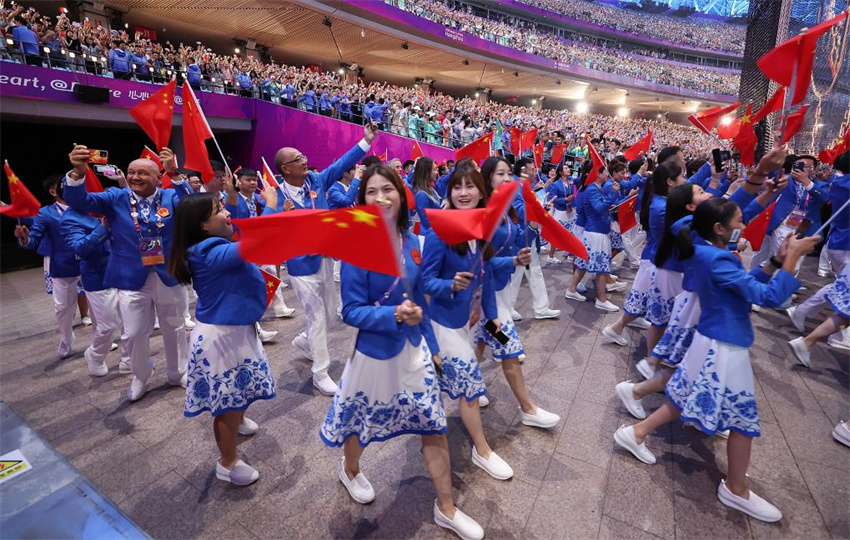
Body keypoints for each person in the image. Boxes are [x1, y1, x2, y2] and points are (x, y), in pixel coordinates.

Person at [613, 197, 819, 523]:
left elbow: (747, 287)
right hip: (723, 344)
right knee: (742, 423)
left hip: (713, 339)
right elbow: (769, 297)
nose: (743, 226)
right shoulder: (716, 258)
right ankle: (736, 488)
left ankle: (636, 431)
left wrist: (777, 263)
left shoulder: (713, 253)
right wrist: (793, 256)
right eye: (739, 221)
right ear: (719, 228)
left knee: (683, 395)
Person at [320, 164, 484, 540]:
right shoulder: (357, 248)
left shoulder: (414, 240)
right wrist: (393, 313)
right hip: (374, 354)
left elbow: (420, 295)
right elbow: (351, 311)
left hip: (415, 352)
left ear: (401, 194)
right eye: (372, 192)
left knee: (434, 426)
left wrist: (433, 344)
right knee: (360, 426)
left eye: (387, 190)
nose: (381, 198)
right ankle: (350, 469)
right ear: (361, 201)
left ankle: (446, 508)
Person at [63, 145, 192, 402]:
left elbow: (191, 205)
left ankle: (178, 372)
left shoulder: (170, 197)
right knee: (133, 332)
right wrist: (77, 174)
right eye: (132, 172)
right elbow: (80, 201)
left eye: (143, 173)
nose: (135, 177)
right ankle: (141, 375)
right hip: (131, 277)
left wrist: (174, 173)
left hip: (168, 272)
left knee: (174, 326)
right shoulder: (115, 197)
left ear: (158, 177)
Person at [168, 192, 277, 486]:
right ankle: (227, 463)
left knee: (238, 393)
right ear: (203, 225)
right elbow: (254, 243)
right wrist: (272, 206)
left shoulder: (208, 246)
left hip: (234, 329)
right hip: (221, 338)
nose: (228, 213)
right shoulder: (207, 251)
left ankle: (238, 420)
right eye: (219, 210)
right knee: (226, 405)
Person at [422, 166, 514, 480]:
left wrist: (495, 319)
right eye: (456, 187)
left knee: (498, 354)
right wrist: (449, 285)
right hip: (445, 325)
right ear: (448, 194)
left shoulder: (482, 230)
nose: (463, 192)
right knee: (471, 389)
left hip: (472, 321)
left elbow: (485, 281)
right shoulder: (439, 234)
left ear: (480, 192)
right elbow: (425, 281)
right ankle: (482, 450)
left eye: (470, 187)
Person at [273, 123, 377, 395]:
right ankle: (320, 372)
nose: (305, 161)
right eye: (298, 159)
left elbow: (345, 161)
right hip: (300, 264)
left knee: (330, 314)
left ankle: (305, 341)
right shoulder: (276, 196)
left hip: (325, 259)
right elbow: (267, 228)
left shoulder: (317, 181)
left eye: (304, 157)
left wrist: (365, 141)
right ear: (286, 168)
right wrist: (279, 215)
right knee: (317, 317)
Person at [476, 156, 561, 429]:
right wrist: (512, 261)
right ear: (488, 178)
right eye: (500, 173)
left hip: (497, 291)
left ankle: (472, 384)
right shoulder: (484, 212)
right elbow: (482, 262)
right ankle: (528, 408)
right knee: (509, 347)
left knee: (477, 342)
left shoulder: (507, 208)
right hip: (485, 297)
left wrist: (531, 232)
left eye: (509, 173)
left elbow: (518, 235)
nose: (507, 178)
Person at [15, 175, 83, 358]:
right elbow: (33, 239)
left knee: (100, 304)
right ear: (55, 191)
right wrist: (24, 237)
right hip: (62, 266)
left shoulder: (84, 206)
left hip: (88, 263)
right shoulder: (46, 213)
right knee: (62, 308)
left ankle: (104, 339)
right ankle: (67, 340)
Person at [60, 207, 131, 376]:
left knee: (130, 322)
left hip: (123, 271)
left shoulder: (107, 208)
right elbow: (80, 248)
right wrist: (103, 227)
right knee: (108, 324)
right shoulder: (70, 218)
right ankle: (95, 355)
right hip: (98, 276)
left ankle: (128, 360)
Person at [224, 167, 295, 322]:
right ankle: (254, 322)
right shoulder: (232, 199)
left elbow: (270, 219)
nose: (252, 182)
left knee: (270, 273)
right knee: (248, 285)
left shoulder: (260, 198)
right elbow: (232, 222)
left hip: (261, 244)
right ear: (238, 182)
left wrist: (282, 212)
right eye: (248, 180)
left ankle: (280, 307)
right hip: (241, 247)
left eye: (254, 180)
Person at [508, 158, 561, 320]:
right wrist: (539, 209)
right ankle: (507, 308)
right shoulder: (516, 187)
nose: (535, 171)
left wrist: (541, 207)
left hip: (529, 235)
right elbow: (521, 212)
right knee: (516, 274)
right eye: (532, 169)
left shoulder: (526, 186)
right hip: (520, 236)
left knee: (534, 272)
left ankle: (541, 307)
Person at [564, 165, 621, 312]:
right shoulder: (592, 189)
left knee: (584, 263)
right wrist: (612, 196)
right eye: (605, 172)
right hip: (595, 232)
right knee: (601, 268)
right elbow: (599, 208)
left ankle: (571, 289)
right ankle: (601, 299)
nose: (607, 175)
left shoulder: (596, 188)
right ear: (598, 174)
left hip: (596, 231)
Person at [412, 157, 441, 249]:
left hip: (434, 236)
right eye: (434, 169)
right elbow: (427, 221)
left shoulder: (431, 190)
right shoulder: (421, 195)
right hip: (427, 238)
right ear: (426, 173)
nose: (437, 172)